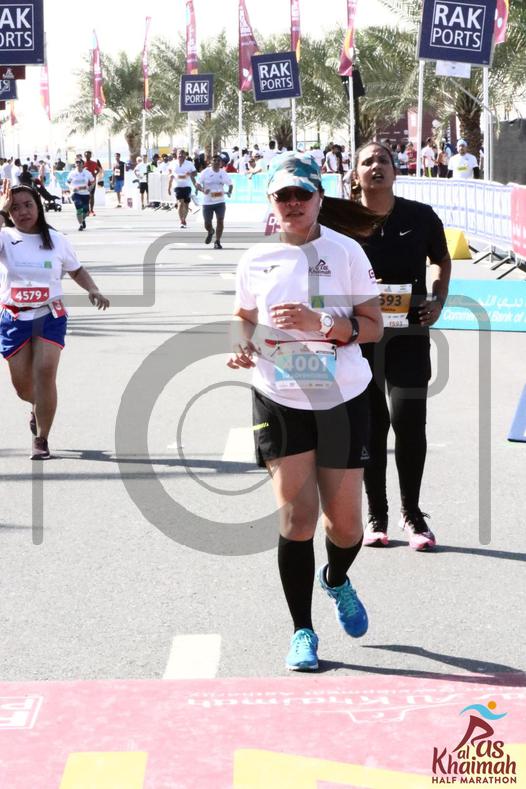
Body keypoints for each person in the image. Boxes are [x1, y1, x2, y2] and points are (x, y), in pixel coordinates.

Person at [227, 153, 383, 671]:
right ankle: (302, 631)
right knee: (298, 519)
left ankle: (335, 579)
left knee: (347, 527)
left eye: (302, 194)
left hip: (342, 397)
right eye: (283, 196)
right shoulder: (256, 259)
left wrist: (324, 324)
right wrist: (240, 343)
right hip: (280, 396)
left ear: (319, 197)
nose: (293, 203)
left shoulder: (346, 251)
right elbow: (242, 316)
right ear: (271, 202)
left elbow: (374, 325)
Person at [349, 141, 451, 551]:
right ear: (355, 174)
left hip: (409, 335)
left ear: (395, 170)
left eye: (383, 161)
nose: (376, 166)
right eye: (367, 162)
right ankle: (377, 514)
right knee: (372, 426)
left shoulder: (420, 216)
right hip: (361, 339)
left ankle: (412, 513)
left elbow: (441, 260)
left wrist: (438, 300)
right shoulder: (341, 221)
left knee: (409, 422)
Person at [0, 185, 109, 459]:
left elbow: (76, 269)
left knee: (45, 373)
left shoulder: (57, 240)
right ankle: (37, 407)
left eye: (28, 205)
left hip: (49, 315)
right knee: (24, 388)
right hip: (14, 317)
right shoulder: (5, 237)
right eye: (15, 207)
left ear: (38, 206)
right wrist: (1, 210)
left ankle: (42, 438)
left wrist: (93, 289)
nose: (23, 212)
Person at [196, 154, 233, 249]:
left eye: (218, 161)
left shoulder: (223, 173)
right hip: (207, 202)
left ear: (221, 163)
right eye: (214, 160)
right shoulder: (205, 172)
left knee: (220, 220)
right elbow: (197, 184)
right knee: (207, 223)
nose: (216, 162)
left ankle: (217, 241)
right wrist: (203, 190)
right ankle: (210, 231)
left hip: (220, 202)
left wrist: (229, 192)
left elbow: (230, 184)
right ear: (211, 162)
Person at [168, 149, 197, 228]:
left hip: (187, 186)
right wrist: (169, 187)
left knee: (186, 204)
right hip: (177, 186)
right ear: (177, 155)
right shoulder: (172, 163)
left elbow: (195, 173)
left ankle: (184, 218)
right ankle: (181, 220)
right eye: (179, 154)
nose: (180, 156)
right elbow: (169, 173)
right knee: (180, 202)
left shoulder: (189, 164)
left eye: (182, 154)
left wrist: (190, 174)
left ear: (185, 156)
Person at [67, 159, 94, 231]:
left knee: (86, 211)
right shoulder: (72, 173)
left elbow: (93, 181)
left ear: (83, 164)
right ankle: (81, 224)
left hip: (85, 194)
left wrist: (90, 188)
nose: (78, 164)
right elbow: (67, 183)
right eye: (76, 162)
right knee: (79, 207)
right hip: (76, 193)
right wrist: (72, 188)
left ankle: (83, 219)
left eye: (79, 162)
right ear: (75, 164)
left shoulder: (87, 173)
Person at [83, 150, 102, 215]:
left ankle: (91, 210)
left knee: (92, 195)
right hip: (84, 182)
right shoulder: (82, 163)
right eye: (86, 155)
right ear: (84, 156)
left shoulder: (94, 163)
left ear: (91, 156)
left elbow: (98, 170)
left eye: (88, 155)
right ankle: (87, 210)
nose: (87, 156)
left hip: (92, 182)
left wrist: (95, 174)